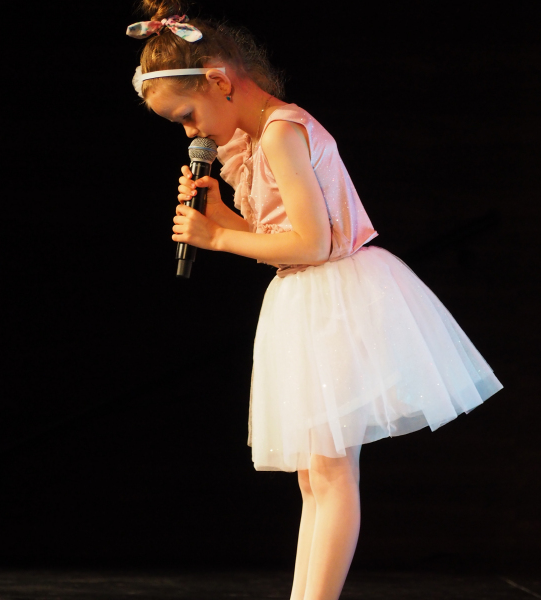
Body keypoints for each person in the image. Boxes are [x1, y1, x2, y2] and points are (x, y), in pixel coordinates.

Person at [126, 2, 503, 598]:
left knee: (331, 477)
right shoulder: (252, 141)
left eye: (187, 116)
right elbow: (278, 236)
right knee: (316, 479)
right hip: (303, 300)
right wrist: (222, 216)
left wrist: (218, 238)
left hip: (334, 299)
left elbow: (313, 242)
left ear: (220, 81)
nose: (191, 133)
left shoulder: (282, 131)